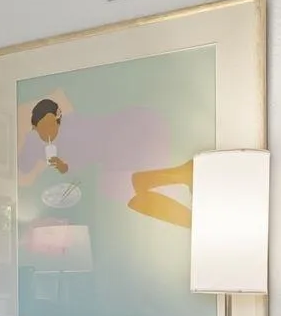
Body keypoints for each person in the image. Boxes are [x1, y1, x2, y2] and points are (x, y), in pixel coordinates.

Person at [17, 94, 194, 227]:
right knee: (117, 188)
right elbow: (26, 166)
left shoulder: (70, 131)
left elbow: (84, 155)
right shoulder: (65, 135)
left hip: (139, 133)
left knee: (113, 186)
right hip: (136, 137)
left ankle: (184, 194)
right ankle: (184, 198)